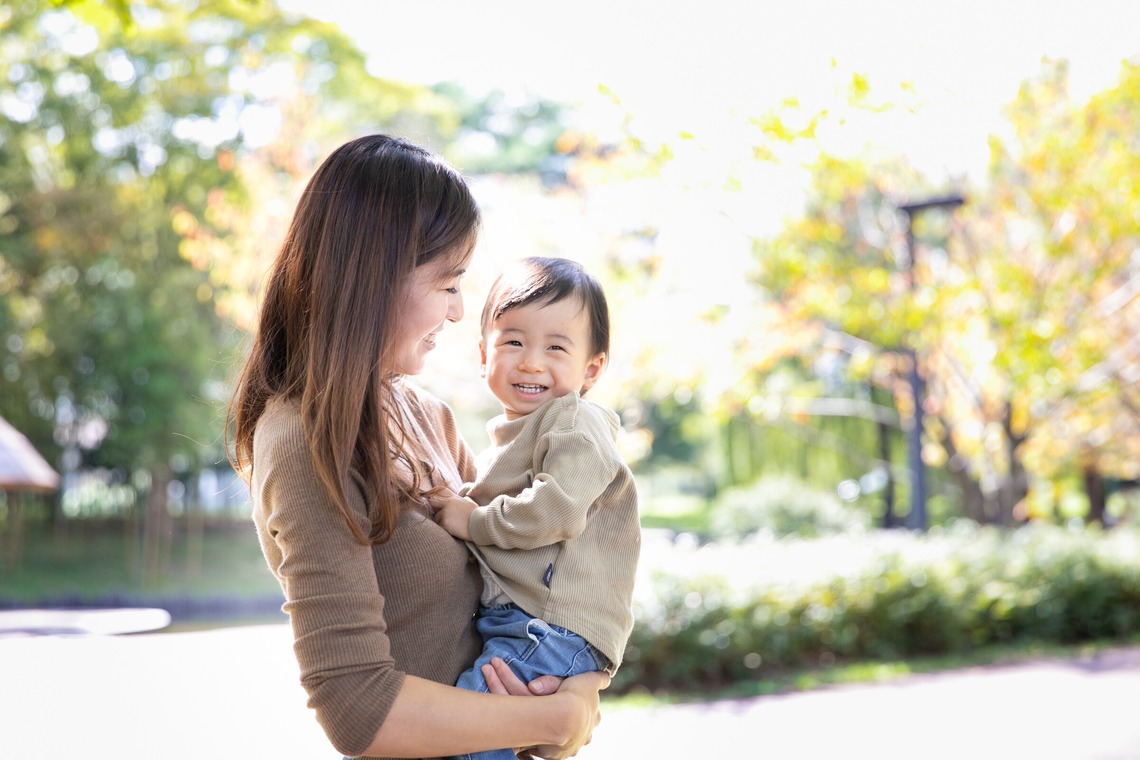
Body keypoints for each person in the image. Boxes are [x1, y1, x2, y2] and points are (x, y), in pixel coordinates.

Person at [227, 135, 609, 760]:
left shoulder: (429, 416)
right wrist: (551, 720)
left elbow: (536, 570)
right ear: (374, 278)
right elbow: (358, 708)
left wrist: (581, 691)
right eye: (449, 283)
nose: (461, 312)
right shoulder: (303, 440)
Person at [430, 257, 641, 760]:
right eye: (514, 342)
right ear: (484, 355)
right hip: (529, 623)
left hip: (549, 625)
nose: (530, 362)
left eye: (556, 347)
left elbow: (555, 510)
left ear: (591, 368)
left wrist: (470, 519)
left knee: (471, 728)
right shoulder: (506, 443)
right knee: (487, 729)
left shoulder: (575, 423)